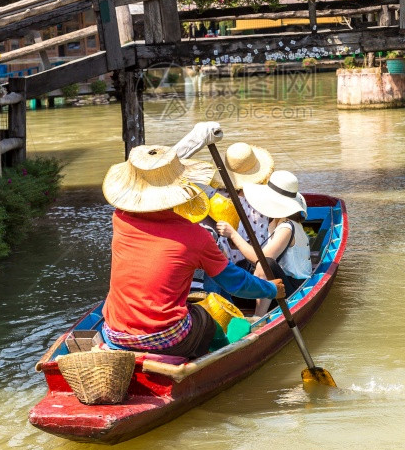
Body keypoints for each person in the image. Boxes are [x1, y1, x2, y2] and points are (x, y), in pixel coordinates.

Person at [100, 144, 285, 359]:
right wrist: (270, 290)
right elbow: (236, 283)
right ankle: (222, 352)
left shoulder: (120, 219)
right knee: (206, 318)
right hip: (165, 339)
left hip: (113, 332)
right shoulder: (196, 236)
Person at [217, 171, 311, 317]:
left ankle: (258, 317)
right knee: (238, 268)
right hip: (279, 285)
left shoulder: (287, 227)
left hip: (295, 289)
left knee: (266, 264)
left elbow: (262, 260)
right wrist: (239, 244)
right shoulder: (275, 222)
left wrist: (234, 235)